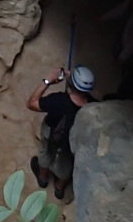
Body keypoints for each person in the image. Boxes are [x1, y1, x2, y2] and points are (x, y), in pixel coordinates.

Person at [27, 63, 99, 200]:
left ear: (71, 85)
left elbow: (31, 103)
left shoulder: (58, 100)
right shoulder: (93, 106)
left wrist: (48, 80)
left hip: (52, 133)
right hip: (70, 142)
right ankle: (59, 189)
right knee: (68, 161)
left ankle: (43, 178)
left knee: (46, 152)